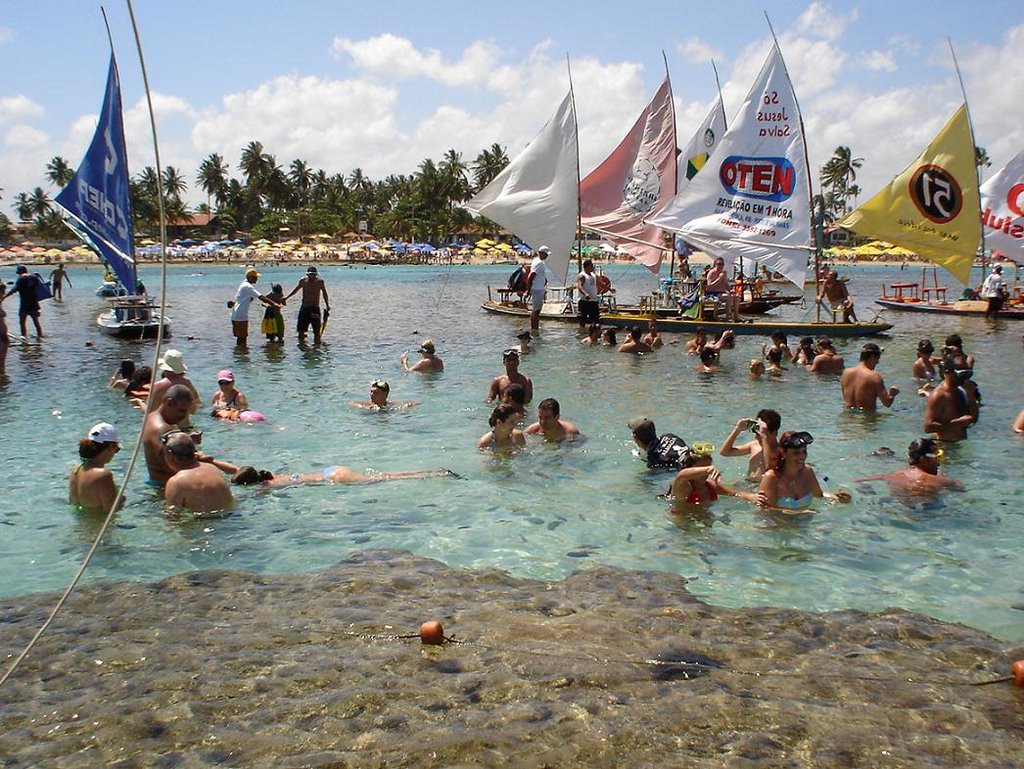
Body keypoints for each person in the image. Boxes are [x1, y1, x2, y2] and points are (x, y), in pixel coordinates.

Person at [757, 430, 851, 512]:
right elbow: (767, 510)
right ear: (783, 452)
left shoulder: (808, 472)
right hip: (779, 527)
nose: (801, 456)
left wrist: (838, 498)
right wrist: (800, 512)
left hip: (804, 525)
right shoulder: (772, 477)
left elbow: (819, 496)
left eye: (804, 452)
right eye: (796, 453)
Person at [855, 438, 962, 497]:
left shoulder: (893, 476)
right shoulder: (945, 481)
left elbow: (858, 480)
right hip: (929, 515)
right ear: (923, 460)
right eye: (937, 458)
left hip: (900, 511)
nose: (939, 463)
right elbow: (961, 491)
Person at [163, 432, 235, 517]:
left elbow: (173, 517)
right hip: (231, 518)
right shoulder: (213, 468)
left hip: (203, 524)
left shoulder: (176, 482)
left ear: (170, 454)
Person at [668, 444, 763, 508]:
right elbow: (681, 476)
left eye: (708, 466)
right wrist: (708, 469)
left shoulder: (710, 485)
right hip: (682, 529)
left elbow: (735, 494)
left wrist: (752, 497)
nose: (705, 473)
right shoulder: (683, 486)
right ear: (690, 468)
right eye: (701, 468)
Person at [231, 464, 456, 488]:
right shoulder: (273, 475)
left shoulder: (267, 487)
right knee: (384, 475)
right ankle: (434, 471)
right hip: (332, 470)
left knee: (387, 478)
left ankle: (437, 474)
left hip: (335, 478)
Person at [69, 422, 124, 514]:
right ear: (111, 447)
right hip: (99, 526)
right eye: (116, 450)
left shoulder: (75, 470)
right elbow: (111, 510)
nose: (114, 454)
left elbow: (73, 503)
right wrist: (122, 499)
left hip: (80, 525)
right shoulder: (103, 475)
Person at [923, 353, 977, 442]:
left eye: (967, 373)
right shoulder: (939, 395)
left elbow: (973, 419)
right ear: (947, 371)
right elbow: (927, 427)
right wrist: (956, 423)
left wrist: (970, 395)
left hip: (960, 444)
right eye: (961, 373)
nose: (964, 377)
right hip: (944, 445)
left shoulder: (962, 391)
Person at [719, 409, 781, 480]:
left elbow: (769, 468)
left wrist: (764, 436)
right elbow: (724, 452)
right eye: (756, 430)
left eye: (761, 432)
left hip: (763, 487)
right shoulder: (754, 445)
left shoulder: (780, 451)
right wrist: (737, 429)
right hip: (749, 483)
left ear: (774, 433)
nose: (756, 435)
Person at [144, 350, 201, 426]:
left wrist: (139, 403)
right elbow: (193, 410)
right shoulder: (188, 384)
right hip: (185, 428)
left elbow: (150, 413)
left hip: (163, 428)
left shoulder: (158, 386)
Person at [841, 343, 899, 412]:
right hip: (866, 418)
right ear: (872, 357)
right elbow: (887, 403)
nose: (878, 362)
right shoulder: (874, 376)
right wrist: (892, 394)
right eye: (877, 358)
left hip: (847, 416)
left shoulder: (846, 373)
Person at [230, 268, 278, 348]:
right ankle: (243, 357)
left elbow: (249, 298)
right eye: (255, 277)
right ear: (250, 277)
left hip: (236, 314)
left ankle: (239, 356)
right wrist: (274, 304)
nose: (257, 279)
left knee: (240, 338)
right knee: (243, 340)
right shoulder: (248, 287)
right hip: (241, 316)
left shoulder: (243, 284)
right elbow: (261, 297)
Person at [284, 266, 331, 345]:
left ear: (316, 275)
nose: (312, 276)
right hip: (305, 308)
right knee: (301, 331)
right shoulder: (303, 281)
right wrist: (287, 297)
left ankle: (316, 348)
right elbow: (295, 290)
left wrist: (327, 305)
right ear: (307, 274)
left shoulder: (320, 282)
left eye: (313, 274)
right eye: (310, 274)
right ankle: (302, 348)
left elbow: (324, 293)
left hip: (315, 308)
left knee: (316, 331)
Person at [4, 264, 43, 338]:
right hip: (34, 303)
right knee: (36, 323)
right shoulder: (34, 277)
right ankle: (40, 338)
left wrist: (4, 297)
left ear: (19, 271)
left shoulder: (21, 279)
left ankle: (23, 337)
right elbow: (41, 287)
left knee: (22, 323)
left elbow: (14, 290)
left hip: (24, 304)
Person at [527, 245, 554, 331]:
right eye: (545, 254)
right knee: (536, 310)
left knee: (537, 310)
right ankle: (534, 328)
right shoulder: (538, 262)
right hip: (537, 289)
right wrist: (528, 289)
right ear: (541, 253)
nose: (547, 256)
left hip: (539, 288)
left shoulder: (538, 261)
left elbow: (538, 274)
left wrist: (544, 280)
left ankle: (535, 327)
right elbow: (531, 275)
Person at [349, 379, 419, 410]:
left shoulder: (390, 405)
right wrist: (364, 408)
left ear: (385, 394)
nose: (371, 395)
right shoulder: (367, 404)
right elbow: (352, 403)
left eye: (375, 393)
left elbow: (415, 403)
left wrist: (407, 407)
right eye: (371, 392)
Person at [576, 258, 600, 327]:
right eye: (591, 266)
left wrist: (609, 289)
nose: (592, 267)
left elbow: (598, 283)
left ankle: (594, 332)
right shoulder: (582, 276)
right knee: (583, 320)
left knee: (596, 320)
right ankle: (582, 333)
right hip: (584, 301)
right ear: (587, 267)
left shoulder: (593, 275)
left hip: (594, 300)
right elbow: (579, 286)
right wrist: (585, 294)